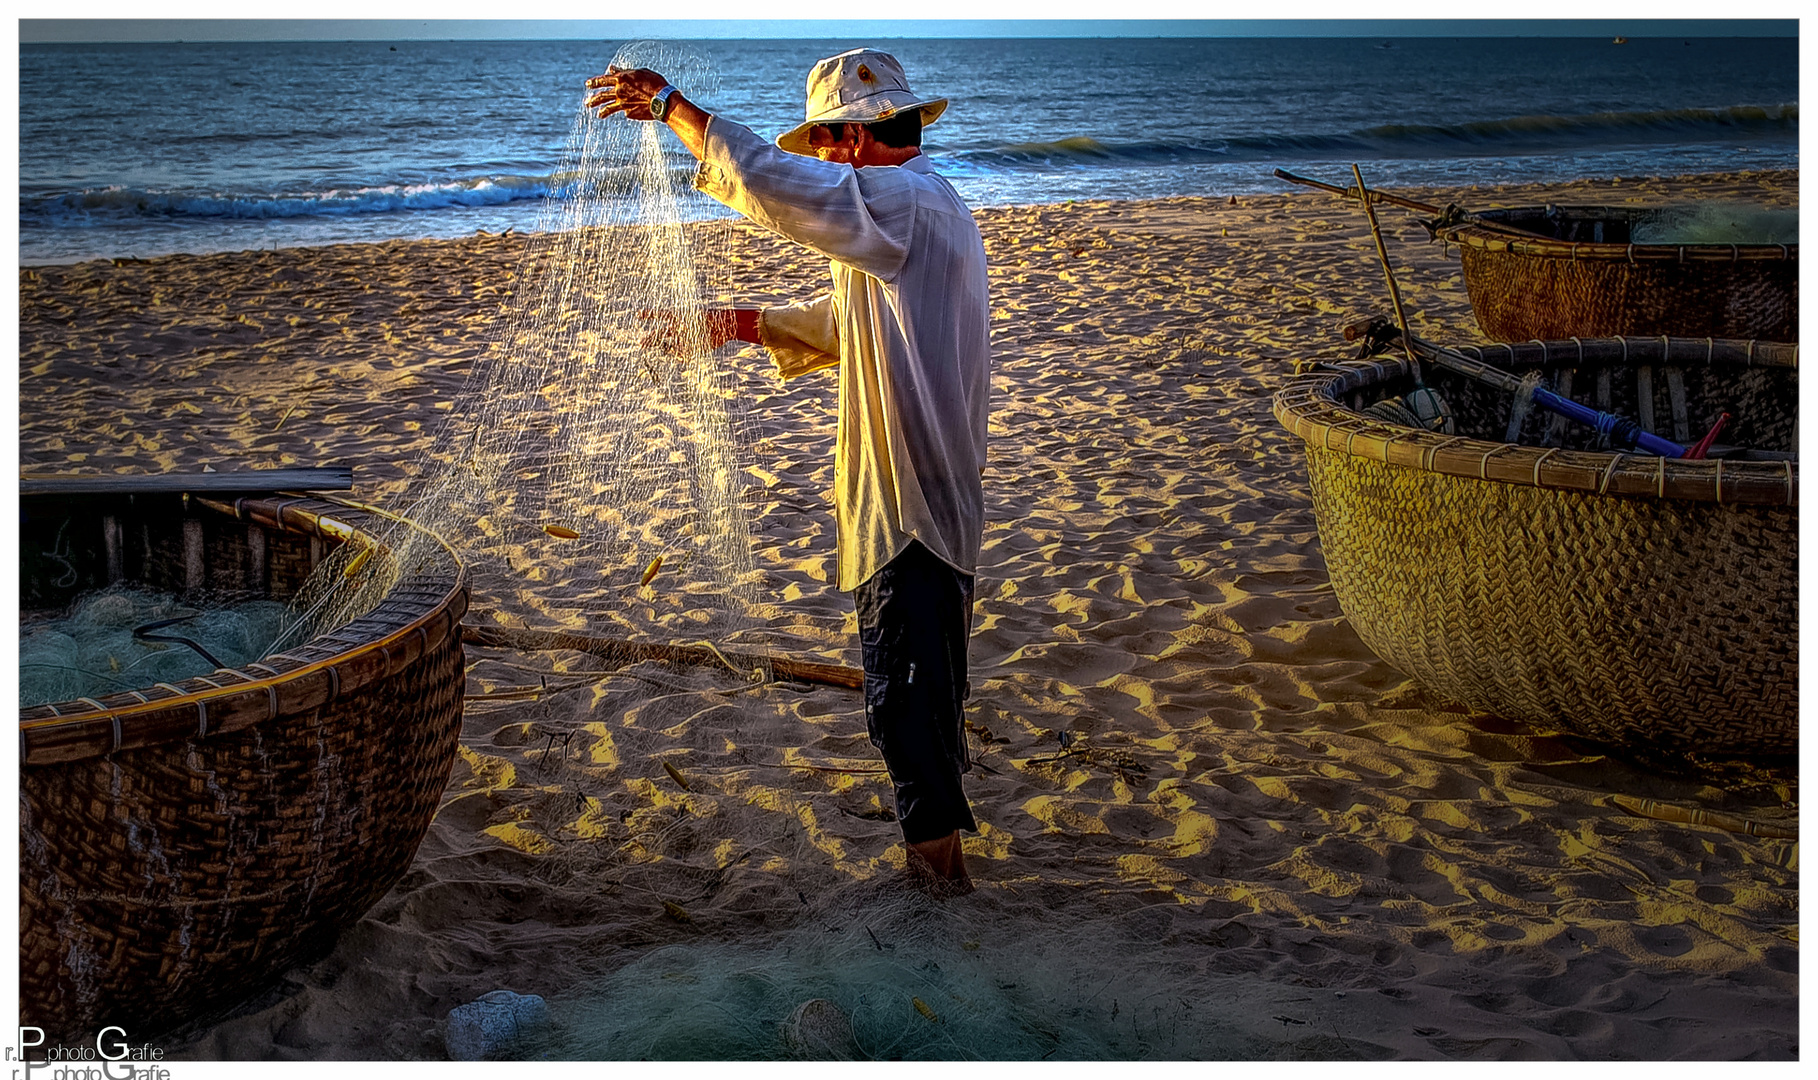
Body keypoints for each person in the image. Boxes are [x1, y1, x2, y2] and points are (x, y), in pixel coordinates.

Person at [586, 49, 991, 896]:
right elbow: (847, 324)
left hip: (909, 505)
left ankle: (938, 893)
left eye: (827, 143)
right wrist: (735, 323)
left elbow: (773, 186)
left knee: (906, 710)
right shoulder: (924, 208)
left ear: (855, 136)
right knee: (923, 706)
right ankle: (945, 877)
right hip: (928, 503)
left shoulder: (902, 199)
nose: (823, 160)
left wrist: (673, 110)